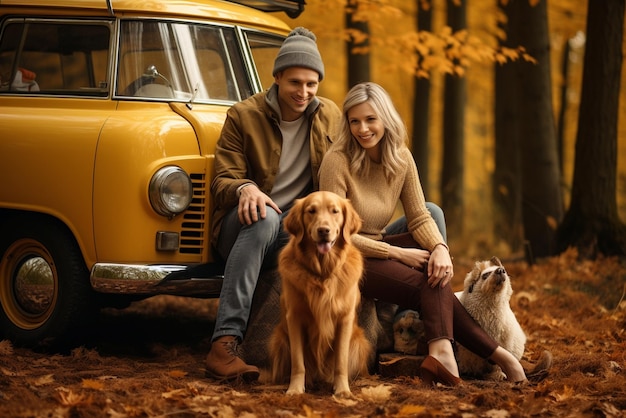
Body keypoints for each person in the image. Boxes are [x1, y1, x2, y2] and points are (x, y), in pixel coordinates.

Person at [319, 82, 528, 386]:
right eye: (354, 121)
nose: (362, 129)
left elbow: (418, 216)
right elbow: (335, 236)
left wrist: (441, 248)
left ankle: (443, 351)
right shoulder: (337, 160)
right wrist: (398, 253)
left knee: (434, 260)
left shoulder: (400, 157)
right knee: (427, 281)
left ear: (386, 119)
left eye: (370, 119)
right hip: (342, 258)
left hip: (376, 244)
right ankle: (497, 356)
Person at [205, 27, 342, 382]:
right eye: (295, 82)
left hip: (294, 232)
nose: (303, 92)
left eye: (312, 84)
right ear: (277, 76)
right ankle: (224, 344)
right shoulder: (242, 115)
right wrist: (245, 188)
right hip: (242, 227)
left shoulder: (330, 116)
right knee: (265, 218)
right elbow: (220, 182)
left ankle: (322, 352)